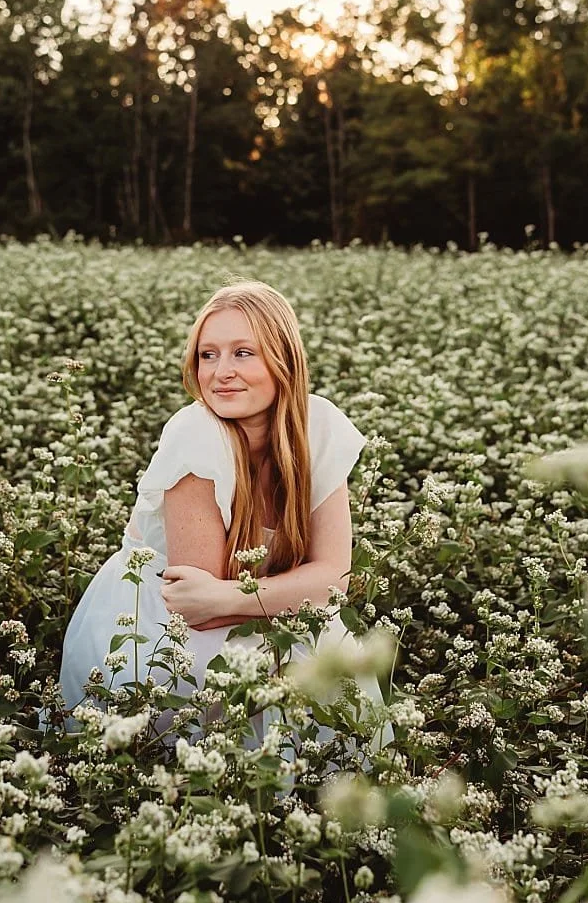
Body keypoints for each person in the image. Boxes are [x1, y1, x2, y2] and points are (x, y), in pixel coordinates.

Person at [56, 280, 384, 736]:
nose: (221, 371)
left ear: (283, 359)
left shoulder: (318, 427)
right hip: (159, 633)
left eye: (242, 353)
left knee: (336, 703)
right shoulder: (197, 434)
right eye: (207, 355)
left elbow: (333, 581)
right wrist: (294, 594)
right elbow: (201, 614)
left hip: (255, 615)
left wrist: (238, 597)